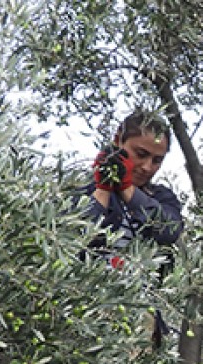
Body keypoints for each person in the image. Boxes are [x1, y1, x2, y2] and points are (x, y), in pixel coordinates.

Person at [80, 111, 184, 345]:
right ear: (118, 141)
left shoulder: (162, 198)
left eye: (157, 160)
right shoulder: (85, 191)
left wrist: (125, 187)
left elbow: (168, 230)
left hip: (142, 322)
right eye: (141, 154)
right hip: (89, 313)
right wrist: (104, 187)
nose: (148, 167)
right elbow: (76, 239)